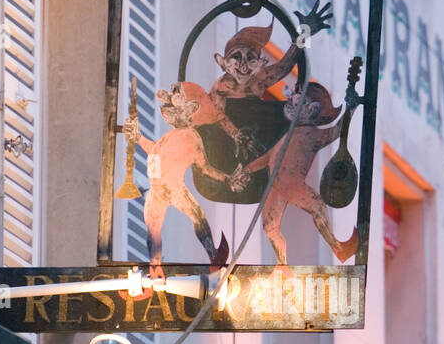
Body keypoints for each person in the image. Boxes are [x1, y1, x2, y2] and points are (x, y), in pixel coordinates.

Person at [230, 81, 358, 267]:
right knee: (271, 227)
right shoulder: (289, 134)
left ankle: (337, 249)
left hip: (290, 184)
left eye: (300, 100)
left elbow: (338, 131)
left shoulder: (312, 134)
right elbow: (269, 156)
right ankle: (282, 264)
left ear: (313, 109)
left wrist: (351, 109)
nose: (293, 101)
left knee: (317, 208)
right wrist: (248, 169)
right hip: (278, 185)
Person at [125, 83, 230, 273]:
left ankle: (213, 257)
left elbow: (205, 167)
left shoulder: (190, 136)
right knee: (154, 229)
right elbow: (154, 150)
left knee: (197, 216)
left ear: (188, 113)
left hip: (172, 187)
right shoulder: (171, 136)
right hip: (157, 191)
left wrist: (226, 179)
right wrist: (138, 137)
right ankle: (155, 268)